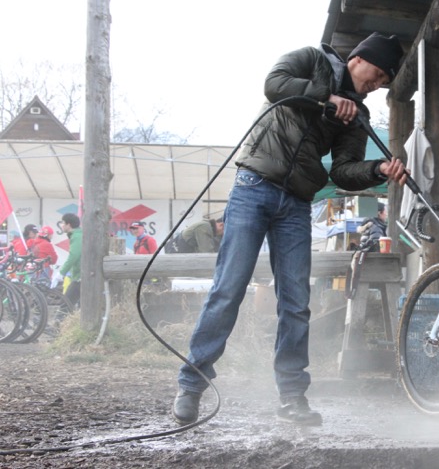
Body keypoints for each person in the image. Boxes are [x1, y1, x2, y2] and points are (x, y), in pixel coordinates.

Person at [173, 32, 407, 427]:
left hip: (297, 203)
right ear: (358, 57)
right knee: (228, 289)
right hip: (253, 187)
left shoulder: (356, 116)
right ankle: (191, 386)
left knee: (296, 301)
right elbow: (274, 84)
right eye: (378, 73)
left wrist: (377, 170)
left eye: (384, 81)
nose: (377, 83)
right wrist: (327, 98)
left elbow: (343, 172)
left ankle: (293, 396)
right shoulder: (310, 60)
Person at [56, 213, 82, 310]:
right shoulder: (78, 235)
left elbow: (74, 256)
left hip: (81, 275)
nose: (62, 225)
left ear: (69, 225)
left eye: (63, 223)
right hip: (81, 274)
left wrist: (61, 272)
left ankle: (59, 321)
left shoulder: (76, 236)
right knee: (76, 302)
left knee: (66, 302)